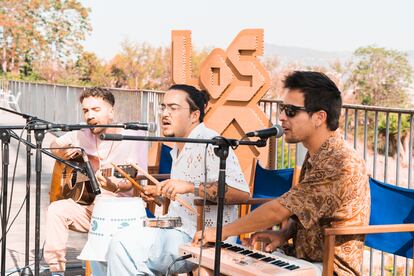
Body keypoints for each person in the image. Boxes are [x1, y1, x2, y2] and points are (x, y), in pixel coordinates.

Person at [193, 71, 370, 276]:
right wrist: (284, 234)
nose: (282, 117)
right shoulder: (317, 154)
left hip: (330, 268)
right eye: (282, 108)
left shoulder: (340, 162)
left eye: (291, 110)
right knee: (204, 268)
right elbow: (307, 209)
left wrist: (221, 232)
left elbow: (278, 210)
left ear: (319, 117)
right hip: (298, 259)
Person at [103, 84, 250, 275]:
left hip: (200, 237)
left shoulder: (211, 143)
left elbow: (241, 194)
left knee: (122, 245)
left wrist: (190, 187)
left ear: (194, 115)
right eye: (163, 107)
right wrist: (160, 196)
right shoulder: (178, 147)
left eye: (173, 108)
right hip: (174, 228)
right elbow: (183, 200)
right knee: (108, 240)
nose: (165, 114)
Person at [44, 87, 148, 275]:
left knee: (102, 203)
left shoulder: (133, 138)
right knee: (56, 210)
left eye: (96, 110)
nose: (90, 115)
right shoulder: (81, 134)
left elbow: (138, 180)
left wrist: (115, 185)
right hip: (87, 207)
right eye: (86, 111)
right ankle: (56, 271)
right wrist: (61, 152)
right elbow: (54, 145)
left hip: (120, 212)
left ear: (111, 111)